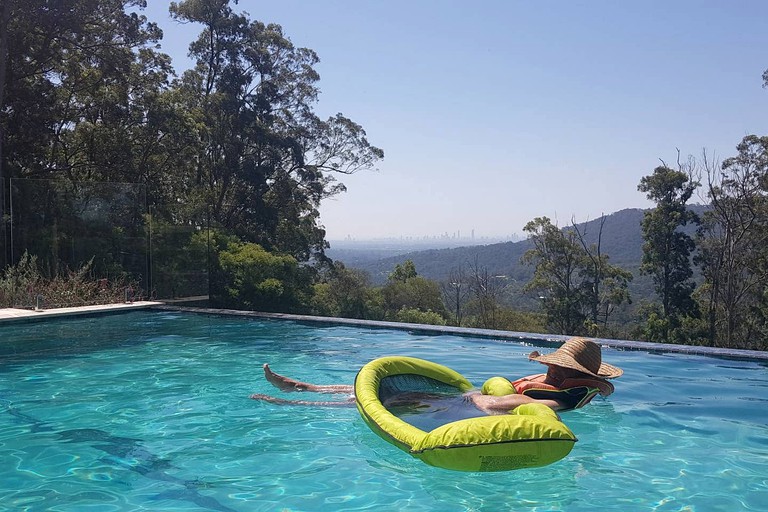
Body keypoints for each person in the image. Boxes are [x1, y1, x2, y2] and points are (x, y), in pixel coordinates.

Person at [250, 337, 623, 414]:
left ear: (572, 371)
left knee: (389, 400)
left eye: (558, 367)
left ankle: (293, 398)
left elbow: (534, 404)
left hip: (472, 406)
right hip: (470, 398)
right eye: (553, 365)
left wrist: (482, 399)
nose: (551, 369)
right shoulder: (570, 386)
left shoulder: (566, 396)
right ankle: (310, 387)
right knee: (389, 392)